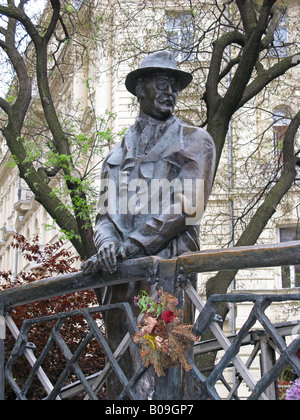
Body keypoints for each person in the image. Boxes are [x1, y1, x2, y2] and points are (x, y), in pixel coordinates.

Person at [82, 51, 216, 398]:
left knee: (167, 380)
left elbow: (189, 204)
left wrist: (133, 244)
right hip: (120, 288)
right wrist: (108, 244)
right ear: (140, 89)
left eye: (174, 86)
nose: (170, 92)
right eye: (161, 84)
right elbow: (103, 218)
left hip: (167, 276)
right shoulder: (115, 155)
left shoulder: (195, 140)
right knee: (124, 384)